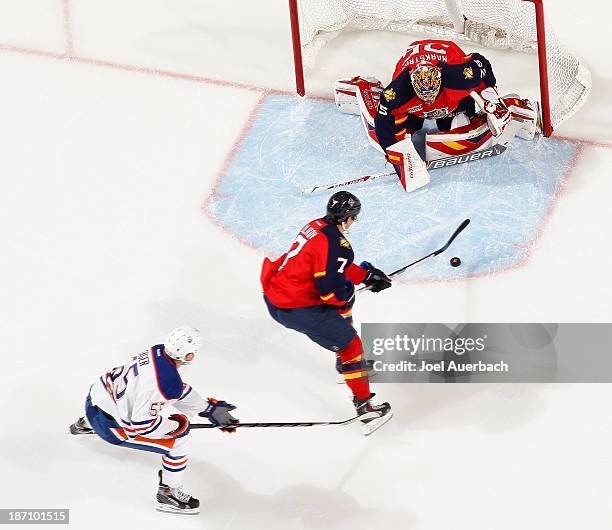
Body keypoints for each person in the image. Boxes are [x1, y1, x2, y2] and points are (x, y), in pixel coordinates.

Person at [260, 191, 393, 433]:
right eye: (354, 217)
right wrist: (364, 284)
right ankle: (364, 408)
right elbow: (330, 292)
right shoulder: (339, 246)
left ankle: (345, 363)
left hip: (275, 296)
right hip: (296, 309)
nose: (354, 221)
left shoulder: (315, 226)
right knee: (352, 345)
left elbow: (330, 265)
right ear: (347, 218)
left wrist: (364, 276)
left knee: (347, 294)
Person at [69, 326, 239, 515]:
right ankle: (168, 493)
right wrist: (178, 426)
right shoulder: (167, 381)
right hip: (109, 426)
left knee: (127, 399)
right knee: (180, 441)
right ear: (188, 355)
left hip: (94, 398)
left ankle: (84, 424)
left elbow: (174, 390)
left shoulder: (157, 351)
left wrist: (207, 409)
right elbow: (142, 425)